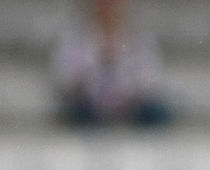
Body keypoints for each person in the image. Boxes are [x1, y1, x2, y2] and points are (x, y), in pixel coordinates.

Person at [51, 0, 171, 128]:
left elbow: (149, 75)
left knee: (157, 111)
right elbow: (65, 75)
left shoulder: (137, 35)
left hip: (131, 104)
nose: (108, 9)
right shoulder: (77, 36)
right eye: (103, 4)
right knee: (75, 113)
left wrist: (128, 92)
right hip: (90, 104)